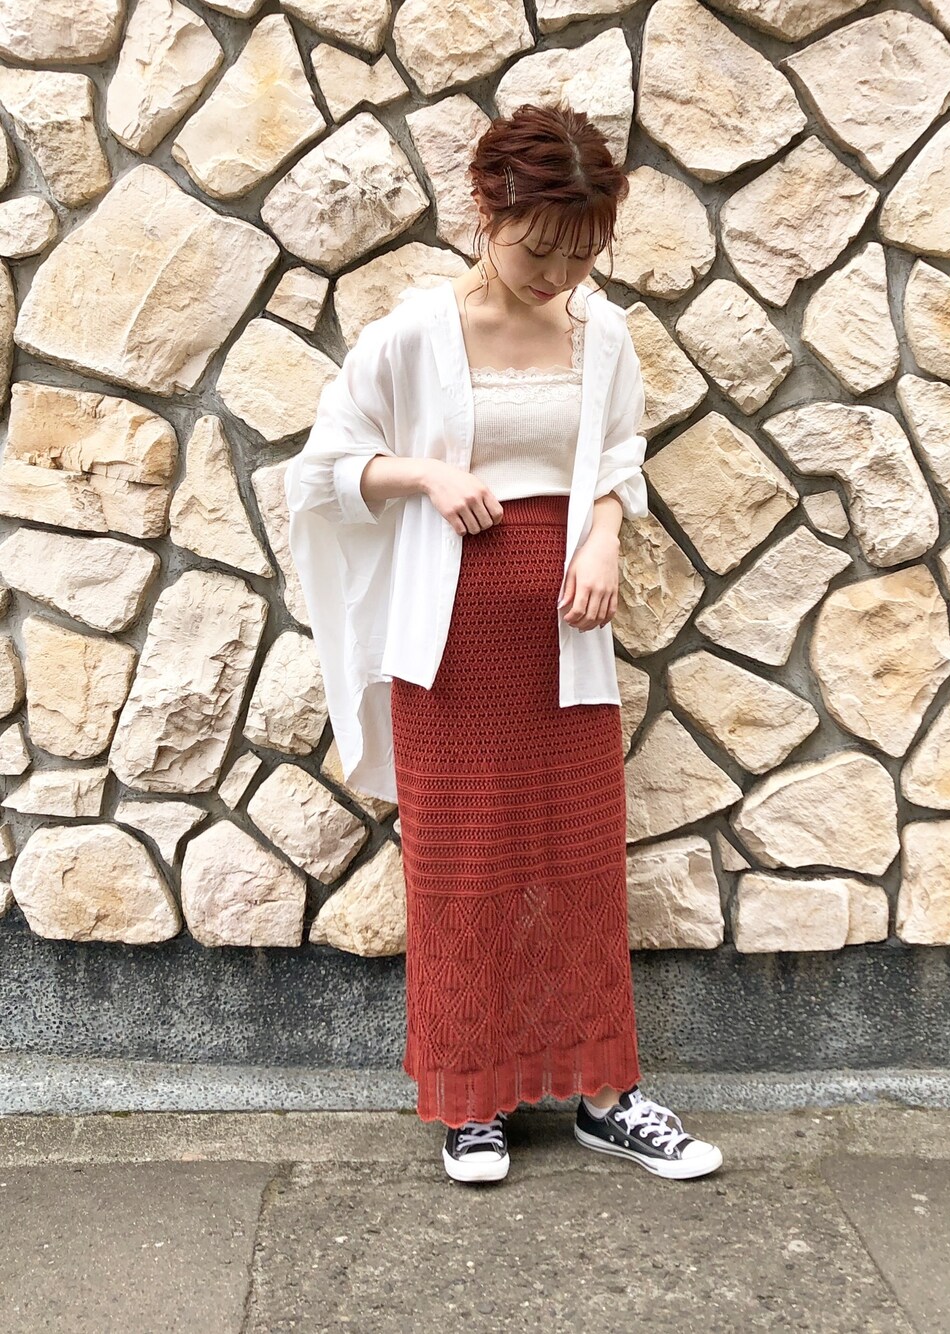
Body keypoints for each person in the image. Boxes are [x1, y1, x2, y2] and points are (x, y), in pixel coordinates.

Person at [285, 101, 723, 1186]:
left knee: (579, 869)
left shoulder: (601, 334)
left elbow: (616, 454)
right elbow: (321, 471)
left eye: (581, 255)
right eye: (539, 249)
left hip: (566, 645)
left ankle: (606, 1093)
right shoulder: (409, 337)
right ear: (486, 211)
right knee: (465, 873)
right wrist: (425, 474)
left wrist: (605, 536)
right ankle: (470, 1100)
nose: (557, 275)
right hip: (450, 651)